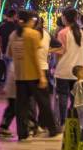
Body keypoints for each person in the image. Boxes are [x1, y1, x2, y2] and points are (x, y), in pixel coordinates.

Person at [8, 10, 58, 141]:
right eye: (33, 20)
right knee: (44, 103)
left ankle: (23, 134)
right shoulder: (33, 34)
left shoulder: (13, 35)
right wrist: (42, 76)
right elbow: (36, 57)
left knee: (22, 106)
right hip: (34, 75)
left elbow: (9, 54)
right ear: (30, 21)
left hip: (19, 76)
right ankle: (52, 129)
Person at [55, 7, 83, 126]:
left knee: (63, 96)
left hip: (64, 70)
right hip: (79, 72)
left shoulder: (63, 33)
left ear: (65, 18)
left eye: (62, 16)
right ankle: (74, 121)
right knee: (76, 98)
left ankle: (63, 122)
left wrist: (56, 66)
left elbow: (59, 53)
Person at [0, 9, 17, 87]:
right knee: (13, 70)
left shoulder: (2, 26)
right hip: (14, 52)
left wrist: (1, 50)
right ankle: (11, 86)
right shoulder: (17, 27)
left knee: (8, 69)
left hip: (4, 51)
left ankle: (7, 85)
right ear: (14, 16)